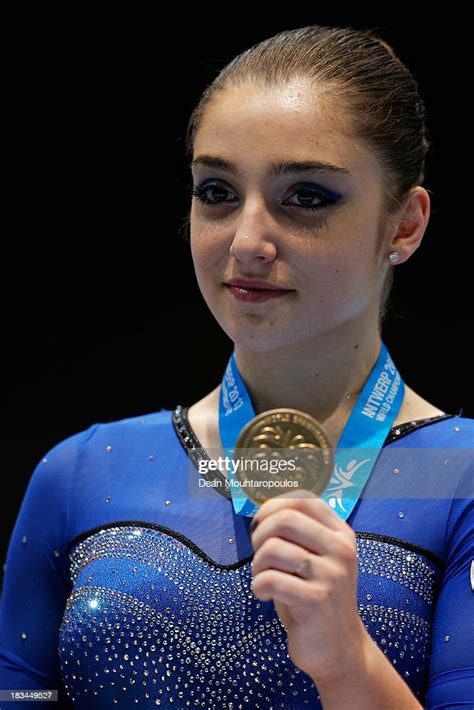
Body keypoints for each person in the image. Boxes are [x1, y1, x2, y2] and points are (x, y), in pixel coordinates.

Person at [1, 23, 472, 710]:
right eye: (216, 191)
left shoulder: (458, 477)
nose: (247, 240)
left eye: (306, 196)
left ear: (404, 225)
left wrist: (348, 666)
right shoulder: (81, 471)